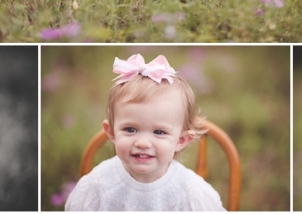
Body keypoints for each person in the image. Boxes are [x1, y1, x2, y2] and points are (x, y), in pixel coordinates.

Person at [65, 53, 225, 211]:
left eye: (159, 132)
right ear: (112, 133)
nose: (142, 143)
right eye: (130, 129)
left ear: (181, 141)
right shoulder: (99, 183)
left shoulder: (191, 192)